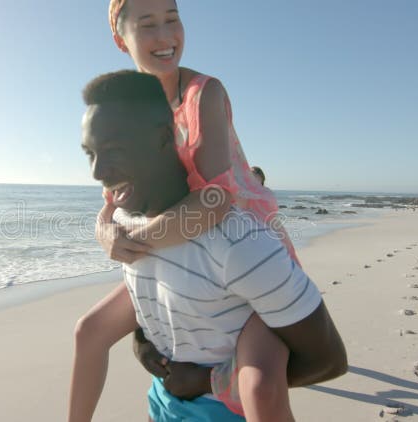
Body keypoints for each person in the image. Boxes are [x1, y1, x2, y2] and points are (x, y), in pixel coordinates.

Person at [69, 1, 306, 420]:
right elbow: (112, 196)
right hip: (172, 255)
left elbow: (215, 201)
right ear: (120, 38)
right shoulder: (127, 105)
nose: (165, 36)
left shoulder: (203, 93)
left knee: (260, 387)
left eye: (172, 20)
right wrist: (104, 231)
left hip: (241, 257)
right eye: (147, 25)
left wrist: (139, 240)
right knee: (90, 332)